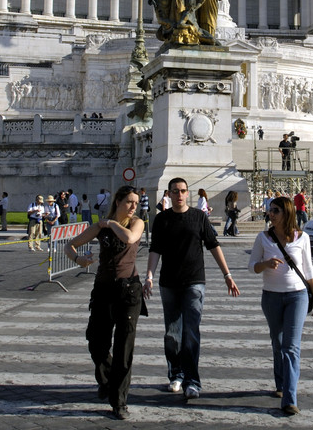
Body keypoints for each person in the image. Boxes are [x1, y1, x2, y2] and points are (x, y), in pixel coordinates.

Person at [143, 177, 239, 400]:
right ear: (169, 194)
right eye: (175, 191)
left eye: (183, 191)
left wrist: (227, 275)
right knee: (172, 334)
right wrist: (149, 275)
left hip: (194, 282)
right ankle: (175, 374)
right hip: (168, 282)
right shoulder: (162, 219)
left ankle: (192, 380)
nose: (179, 195)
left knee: (191, 332)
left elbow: (214, 245)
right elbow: (155, 250)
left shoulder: (198, 217)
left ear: (189, 194)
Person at [66, 186, 146, 420]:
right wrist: (79, 258)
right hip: (102, 290)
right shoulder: (99, 227)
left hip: (129, 291)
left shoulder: (136, 223)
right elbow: (70, 245)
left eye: (136, 202)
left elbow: (130, 238)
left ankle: (118, 402)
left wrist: (111, 224)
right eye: (129, 202)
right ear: (118, 201)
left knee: (124, 348)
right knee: (95, 341)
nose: (133, 207)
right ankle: (108, 380)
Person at [248, 195, 313, 415]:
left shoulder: (303, 238)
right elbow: (252, 267)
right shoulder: (263, 238)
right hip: (271, 296)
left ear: (287, 213)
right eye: (270, 210)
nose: (271, 214)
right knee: (278, 343)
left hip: (298, 296)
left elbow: (308, 270)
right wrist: (265, 264)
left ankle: (290, 398)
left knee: (291, 346)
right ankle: (280, 383)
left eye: (275, 210)